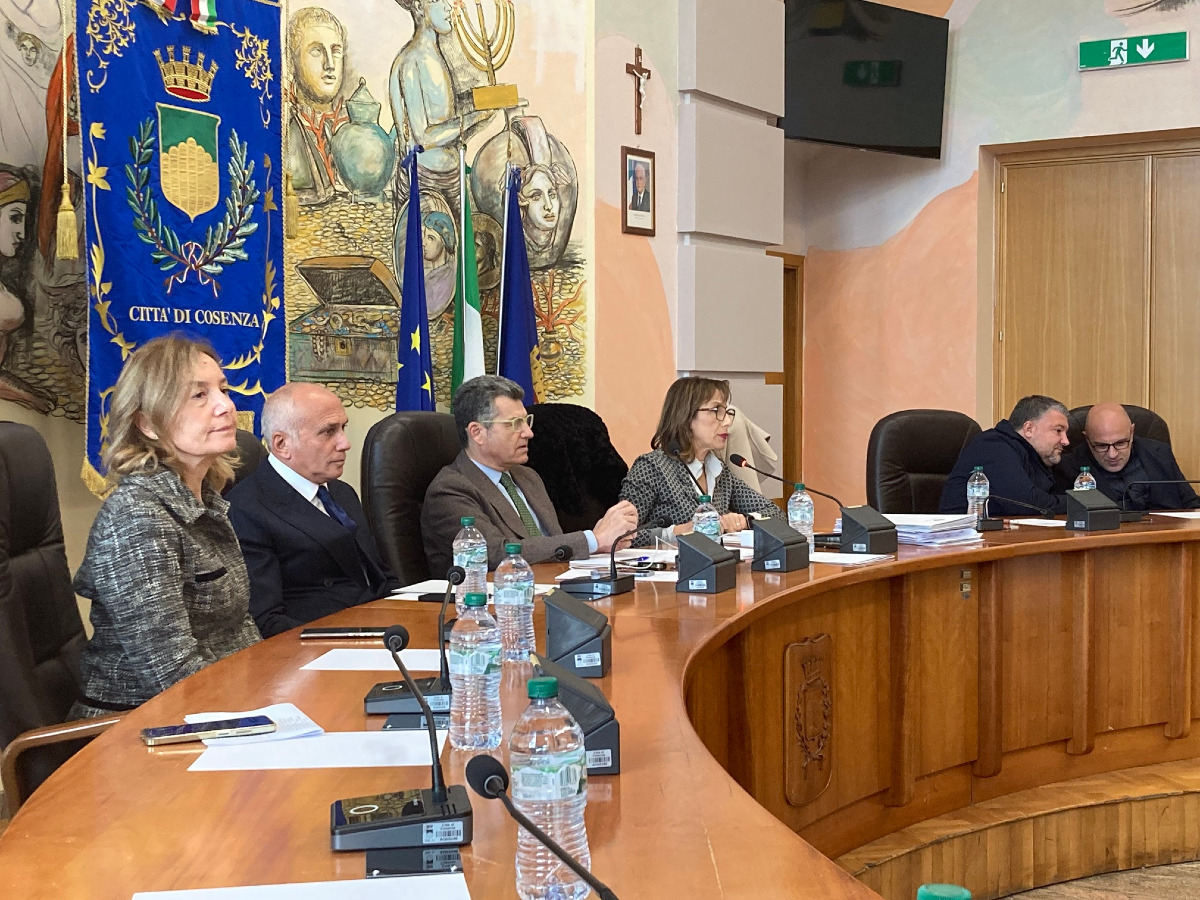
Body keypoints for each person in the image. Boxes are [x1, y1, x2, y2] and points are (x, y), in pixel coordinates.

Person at [69, 335, 260, 718]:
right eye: (199, 396)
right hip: (133, 729)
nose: (226, 405)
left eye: (223, 389)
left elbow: (238, 628)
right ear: (148, 424)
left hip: (216, 704)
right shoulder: (138, 517)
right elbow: (172, 675)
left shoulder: (203, 499)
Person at [227, 383, 400, 638]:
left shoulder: (341, 492)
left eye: (343, 428)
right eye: (328, 432)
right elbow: (267, 621)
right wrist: (357, 638)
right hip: (321, 648)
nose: (345, 443)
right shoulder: (247, 509)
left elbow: (379, 576)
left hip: (382, 627)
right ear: (282, 444)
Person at [421, 375, 639, 572]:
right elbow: (495, 554)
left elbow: (552, 545)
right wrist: (594, 540)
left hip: (553, 591)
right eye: (515, 424)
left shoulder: (528, 477)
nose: (528, 433)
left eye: (526, 421)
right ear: (477, 432)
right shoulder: (450, 489)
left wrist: (602, 542)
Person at [619, 376, 785, 546]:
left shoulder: (719, 471)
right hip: (670, 570)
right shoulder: (651, 468)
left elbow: (775, 514)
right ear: (686, 416)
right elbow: (621, 535)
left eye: (727, 412)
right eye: (717, 410)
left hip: (714, 565)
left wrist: (745, 520)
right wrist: (678, 531)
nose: (727, 422)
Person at [939, 395, 1071, 517]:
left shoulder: (1036, 457)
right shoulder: (993, 446)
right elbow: (1026, 503)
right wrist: (1081, 502)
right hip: (962, 537)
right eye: (1058, 431)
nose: (1066, 441)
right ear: (1029, 429)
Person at [1056, 403, 1200, 511]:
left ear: (1131, 433)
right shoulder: (1068, 468)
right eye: (1101, 446)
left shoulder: (1159, 454)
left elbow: (1191, 504)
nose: (1112, 454)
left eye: (1120, 443)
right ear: (1087, 439)